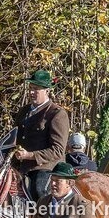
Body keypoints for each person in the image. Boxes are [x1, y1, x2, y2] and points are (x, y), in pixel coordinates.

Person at [12, 69, 70, 200]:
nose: (32, 92)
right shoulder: (23, 111)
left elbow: (58, 150)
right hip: (20, 167)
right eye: (31, 88)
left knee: (39, 190)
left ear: (47, 91)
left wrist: (29, 155)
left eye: (36, 89)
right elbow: (14, 138)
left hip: (46, 168)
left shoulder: (57, 114)